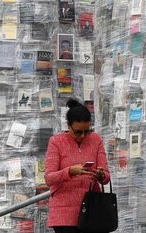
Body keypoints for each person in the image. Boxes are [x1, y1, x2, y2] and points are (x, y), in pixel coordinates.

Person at [45, 99, 111, 233]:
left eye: (87, 131)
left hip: (92, 209)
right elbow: (49, 178)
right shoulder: (56, 142)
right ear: (68, 125)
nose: (83, 136)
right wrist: (70, 171)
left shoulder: (96, 139)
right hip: (64, 213)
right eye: (78, 132)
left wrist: (100, 175)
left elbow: (106, 177)